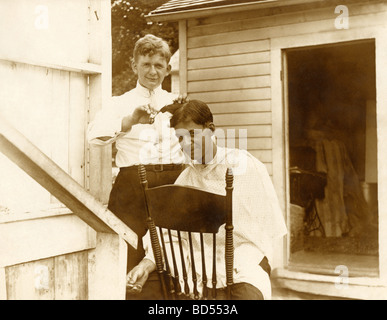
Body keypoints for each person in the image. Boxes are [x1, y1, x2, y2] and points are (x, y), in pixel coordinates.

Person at [127, 100, 287, 300]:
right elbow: (170, 236)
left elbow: (264, 232)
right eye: (180, 138)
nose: (186, 144)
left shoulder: (244, 166)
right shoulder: (185, 179)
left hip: (242, 265)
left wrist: (225, 273)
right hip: (194, 265)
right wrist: (145, 265)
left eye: (192, 134)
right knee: (139, 295)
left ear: (210, 129)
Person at [87, 34, 187, 295]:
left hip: (174, 184)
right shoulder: (119, 103)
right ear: (134, 66)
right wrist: (128, 121)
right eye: (146, 64)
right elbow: (94, 138)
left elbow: (199, 142)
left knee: (176, 253)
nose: (152, 71)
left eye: (158, 65)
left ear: (167, 68)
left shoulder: (178, 103)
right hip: (132, 188)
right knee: (129, 256)